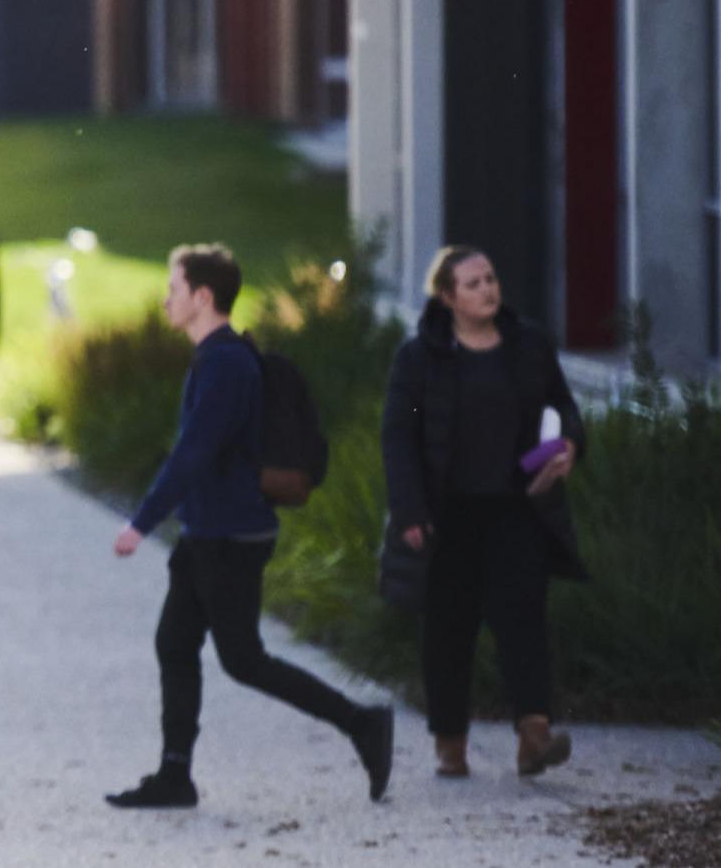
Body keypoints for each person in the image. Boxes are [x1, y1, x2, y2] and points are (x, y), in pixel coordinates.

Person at [106, 244, 395, 810]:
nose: (166, 299)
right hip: (208, 532)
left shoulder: (224, 365)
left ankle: (361, 722)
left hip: (231, 536)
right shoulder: (219, 357)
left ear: (202, 297)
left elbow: (193, 453)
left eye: (174, 289)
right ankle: (175, 775)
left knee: (243, 659)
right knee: (175, 642)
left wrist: (141, 523)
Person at [382, 246, 588, 780]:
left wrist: (567, 444)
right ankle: (450, 742)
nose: (487, 290)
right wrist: (408, 509)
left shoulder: (529, 347)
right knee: (449, 629)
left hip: (516, 508)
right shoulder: (419, 358)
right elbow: (400, 434)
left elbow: (562, 406)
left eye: (491, 279)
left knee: (523, 619)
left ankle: (534, 735)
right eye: (472, 284)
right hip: (446, 514)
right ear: (447, 296)